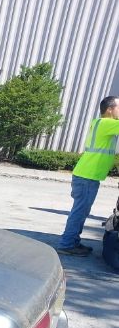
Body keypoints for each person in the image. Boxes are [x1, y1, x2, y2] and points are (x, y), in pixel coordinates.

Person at [57, 95, 119, 256]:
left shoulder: (101, 123)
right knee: (79, 211)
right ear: (110, 109)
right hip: (87, 176)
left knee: (81, 211)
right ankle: (67, 244)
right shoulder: (107, 123)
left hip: (87, 175)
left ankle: (73, 242)